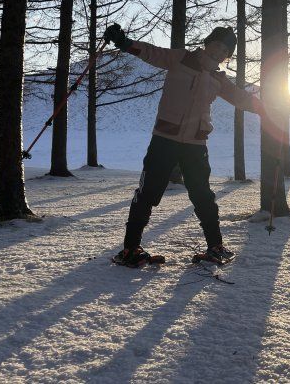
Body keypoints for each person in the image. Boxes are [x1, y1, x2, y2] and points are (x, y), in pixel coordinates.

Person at [104, 24, 270, 267]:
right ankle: (130, 249)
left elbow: (241, 98)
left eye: (225, 49)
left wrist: (267, 110)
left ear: (227, 56)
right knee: (147, 193)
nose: (218, 51)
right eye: (216, 44)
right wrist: (125, 42)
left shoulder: (218, 79)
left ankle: (215, 247)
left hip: (195, 143)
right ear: (207, 43)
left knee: (203, 196)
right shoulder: (181, 58)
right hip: (165, 139)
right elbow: (153, 52)